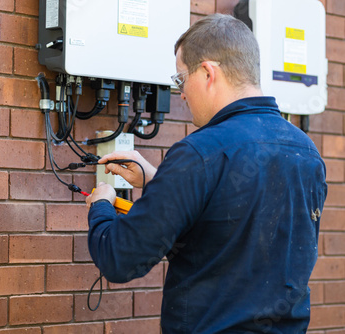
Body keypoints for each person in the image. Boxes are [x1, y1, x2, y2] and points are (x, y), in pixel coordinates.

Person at [85, 13, 327, 333]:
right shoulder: (306, 152)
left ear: (208, 72)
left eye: (181, 80)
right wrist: (159, 181)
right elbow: (233, 221)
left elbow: (120, 259)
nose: (182, 94)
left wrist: (101, 205)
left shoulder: (199, 153)